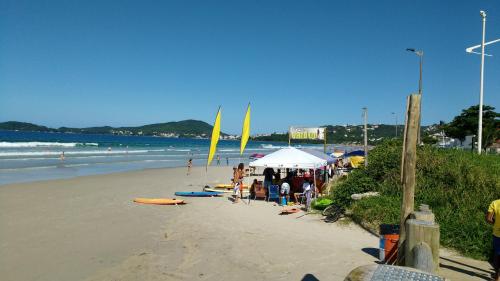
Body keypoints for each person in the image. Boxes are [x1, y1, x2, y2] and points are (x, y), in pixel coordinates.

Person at [487, 199, 500, 281]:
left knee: (498, 254)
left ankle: (497, 277)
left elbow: (489, 218)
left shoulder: (495, 203)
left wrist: (496, 224)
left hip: (498, 234)